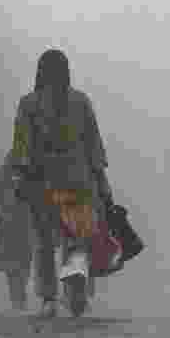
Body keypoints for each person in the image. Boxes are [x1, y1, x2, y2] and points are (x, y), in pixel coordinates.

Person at [8, 49, 112, 318]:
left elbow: (22, 145)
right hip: (77, 181)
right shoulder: (80, 101)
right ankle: (76, 294)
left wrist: (19, 176)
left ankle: (49, 298)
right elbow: (93, 145)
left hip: (41, 181)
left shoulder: (29, 103)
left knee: (44, 241)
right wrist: (101, 181)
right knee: (75, 240)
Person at [0, 160, 32, 310]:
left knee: (22, 260)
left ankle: (18, 296)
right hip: (12, 219)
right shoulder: (10, 165)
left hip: (23, 220)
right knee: (14, 261)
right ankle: (17, 297)